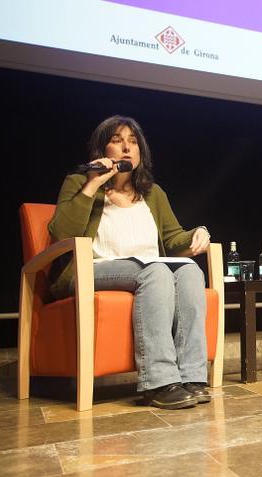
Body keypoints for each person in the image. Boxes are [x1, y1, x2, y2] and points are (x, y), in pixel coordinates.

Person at [48, 115, 213, 409]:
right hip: (92, 270)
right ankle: (158, 382)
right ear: (102, 150)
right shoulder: (79, 182)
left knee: (190, 272)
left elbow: (174, 237)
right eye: (117, 141)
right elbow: (62, 233)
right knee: (156, 271)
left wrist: (197, 233)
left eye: (133, 142)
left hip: (148, 270)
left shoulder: (153, 192)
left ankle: (192, 376)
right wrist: (91, 185)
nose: (126, 148)